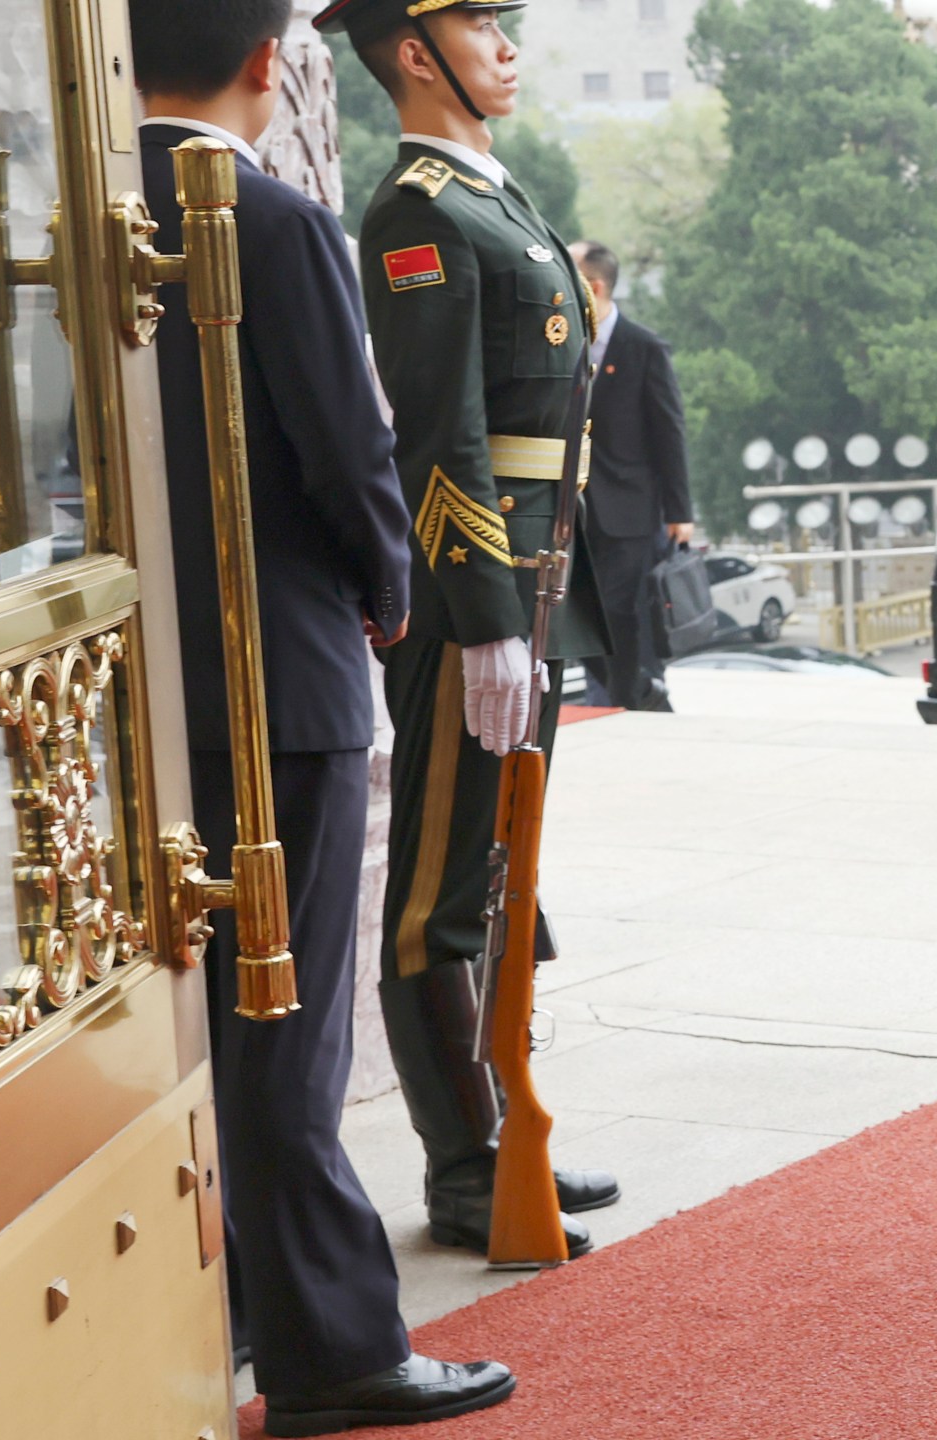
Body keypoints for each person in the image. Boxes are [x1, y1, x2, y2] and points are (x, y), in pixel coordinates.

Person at [129, 0, 515, 1430]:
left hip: (142, 677)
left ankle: (218, 1308)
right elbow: (353, 448)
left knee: (200, 1027)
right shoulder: (267, 216)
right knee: (287, 1030)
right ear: (265, 62)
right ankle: (334, 1348)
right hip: (278, 675)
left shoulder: (95, 211)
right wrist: (391, 586)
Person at [315, 0, 620, 1261]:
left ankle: (505, 1126)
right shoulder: (416, 215)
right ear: (407, 52)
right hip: (476, 595)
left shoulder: (492, 193)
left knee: (503, 870)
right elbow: (439, 433)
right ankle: (462, 1165)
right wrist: (488, 619)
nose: (506, 44)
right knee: (437, 892)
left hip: (531, 582)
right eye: (478, 23)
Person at [570, 238, 694, 712]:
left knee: (621, 612)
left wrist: (680, 512)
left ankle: (629, 700)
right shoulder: (562, 343)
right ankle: (641, 694)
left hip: (630, 508)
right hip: (573, 510)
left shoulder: (643, 348)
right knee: (577, 613)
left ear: (595, 286)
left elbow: (670, 432)